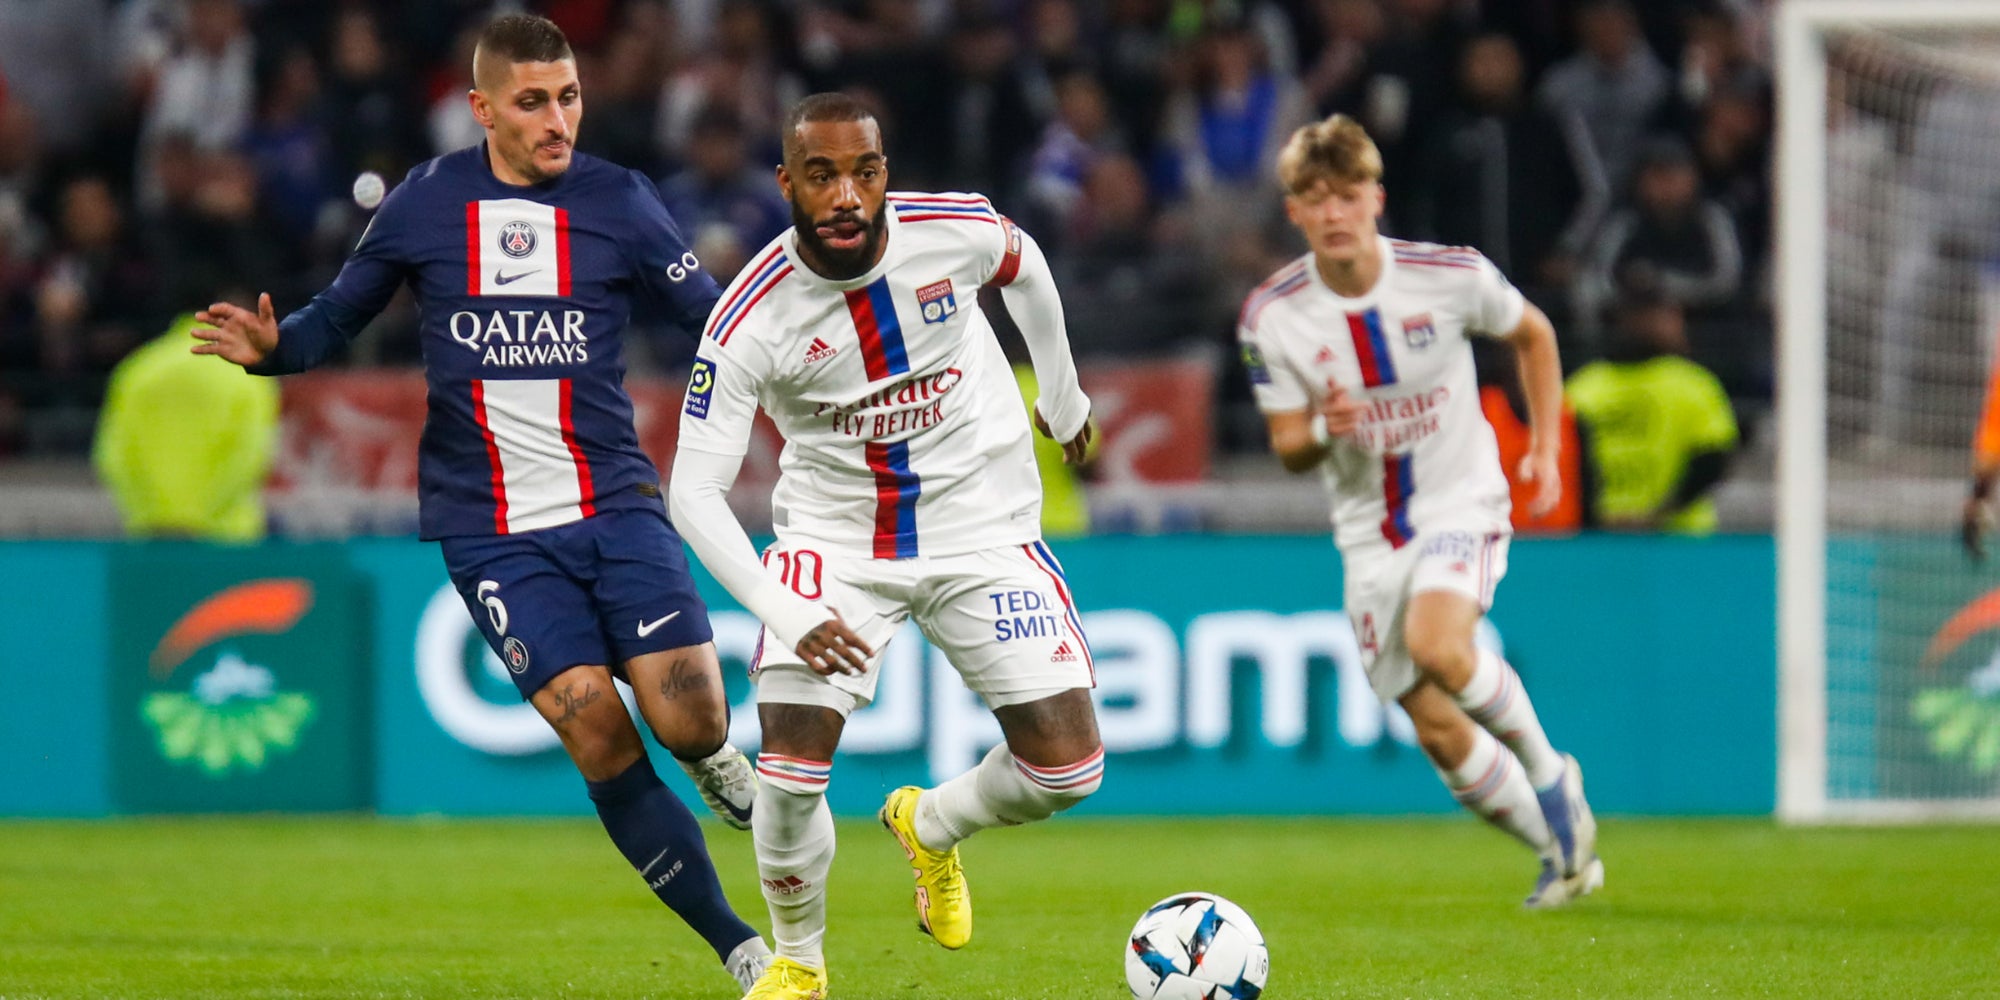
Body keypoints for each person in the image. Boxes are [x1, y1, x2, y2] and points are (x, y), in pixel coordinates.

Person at [186, 15, 772, 991]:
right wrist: (274, 348)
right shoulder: (425, 204)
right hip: (489, 530)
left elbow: (709, 314)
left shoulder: (620, 201)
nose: (558, 118)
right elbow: (335, 318)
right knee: (597, 732)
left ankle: (712, 762)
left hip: (613, 503)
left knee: (694, 718)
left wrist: (800, 353)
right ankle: (742, 949)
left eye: (570, 96)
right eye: (535, 101)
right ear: (483, 108)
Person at [668, 93, 1103, 999]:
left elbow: (1026, 265)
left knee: (1069, 768)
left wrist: (1062, 398)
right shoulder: (747, 317)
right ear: (787, 183)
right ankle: (799, 961)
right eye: (820, 175)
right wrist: (787, 609)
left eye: (862, 172)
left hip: (981, 519)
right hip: (835, 542)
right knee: (786, 776)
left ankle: (933, 825)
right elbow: (693, 493)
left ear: (883, 176)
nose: (844, 196)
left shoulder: (953, 231)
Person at [1236, 114, 1601, 907]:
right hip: (1368, 533)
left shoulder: (1449, 274)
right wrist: (1325, 434)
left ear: (1377, 198)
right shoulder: (1271, 316)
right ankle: (1563, 854)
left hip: (1459, 497)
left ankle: (1549, 776)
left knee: (1439, 644)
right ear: (1293, 210)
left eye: (1347, 194)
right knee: (1436, 728)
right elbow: (1288, 444)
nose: (1333, 213)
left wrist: (1543, 445)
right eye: (1314, 197)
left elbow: (1533, 335)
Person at [95, 309, 279, 542]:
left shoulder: (138, 369)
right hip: (227, 540)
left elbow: (112, 455)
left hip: (150, 537)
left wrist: (153, 515)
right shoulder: (248, 372)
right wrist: (200, 519)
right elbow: (251, 456)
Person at [1566, 288, 1739, 534]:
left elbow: (1713, 463)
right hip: (1659, 542)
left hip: (1663, 540)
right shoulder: (1692, 383)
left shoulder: (1582, 387)